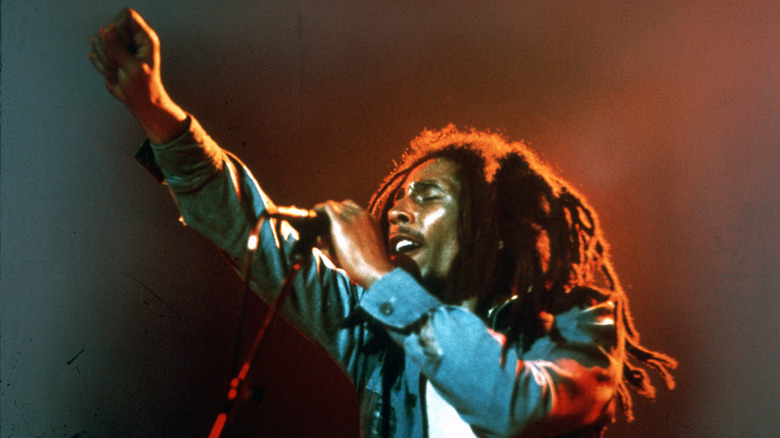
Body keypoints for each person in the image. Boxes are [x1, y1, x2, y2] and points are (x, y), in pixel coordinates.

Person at [89, 8, 676, 438]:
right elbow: (251, 226)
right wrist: (156, 110)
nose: (398, 209)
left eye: (428, 195)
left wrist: (379, 277)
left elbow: (516, 407)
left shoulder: (577, 321)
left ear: (489, 226)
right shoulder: (376, 334)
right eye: (398, 197)